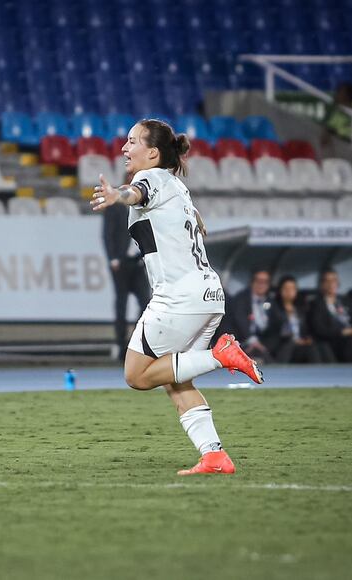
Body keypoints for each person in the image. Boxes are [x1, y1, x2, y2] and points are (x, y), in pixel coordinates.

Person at [90, 119, 262, 476]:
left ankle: (220, 356)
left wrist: (117, 196)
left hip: (179, 298)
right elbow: (193, 220)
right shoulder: (177, 187)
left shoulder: (150, 178)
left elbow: (134, 193)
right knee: (176, 379)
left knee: (137, 376)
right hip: (208, 294)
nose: (124, 147)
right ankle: (214, 455)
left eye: (133, 141)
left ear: (153, 153)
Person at [102, 201, 151, 360]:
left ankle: (137, 342)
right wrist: (112, 258)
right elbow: (108, 233)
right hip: (121, 263)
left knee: (146, 303)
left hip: (137, 263)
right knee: (121, 304)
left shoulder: (144, 206)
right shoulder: (115, 207)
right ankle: (120, 343)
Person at [308, 269, 352, 363]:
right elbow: (319, 329)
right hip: (334, 339)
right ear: (322, 284)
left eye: (334, 280)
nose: (331, 284)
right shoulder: (316, 304)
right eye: (327, 281)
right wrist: (342, 332)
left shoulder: (345, 300)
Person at [266, 276, 322, 363]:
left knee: (313, 347)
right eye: (286, 288)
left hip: (300, 345)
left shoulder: (301, 309)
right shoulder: (274, 307)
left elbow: (306, 329)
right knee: (289, 345)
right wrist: (294, 340)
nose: (289, 291)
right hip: (283, 345)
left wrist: (307, 338)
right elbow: (276, 330)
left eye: (292, 288)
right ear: (280, 290)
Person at [224, 269, 275, 363]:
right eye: (258, 281)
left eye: (265, 282)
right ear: (252, 282)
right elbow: (240, 321)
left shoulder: (271, 301)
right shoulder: (241, 299)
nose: (261, 284)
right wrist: (252, 341)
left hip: (263, 343)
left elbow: (274, 326)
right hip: (242, 341)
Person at [322, 82, 352, 153]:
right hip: (345, 140)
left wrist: (340, 103)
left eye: (341, 92)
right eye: (338, 92)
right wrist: (326, 135)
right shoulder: (338, 110)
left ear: (348, 94)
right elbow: (331, 127)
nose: (338, 94)